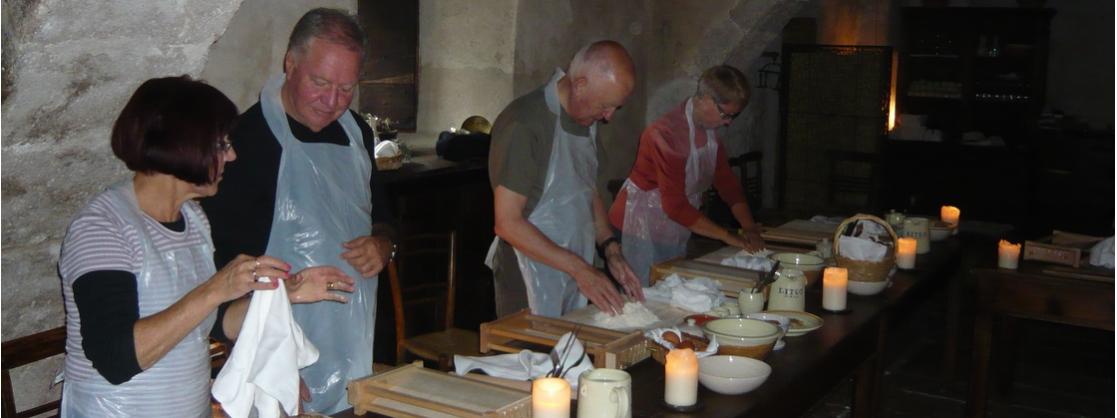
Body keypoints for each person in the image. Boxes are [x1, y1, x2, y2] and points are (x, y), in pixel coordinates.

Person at [57, 76, 353, 417]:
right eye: (222, 144)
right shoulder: (103, 228)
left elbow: (211, 323)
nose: (232, 154)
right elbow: (116, 359)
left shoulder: (194, 220)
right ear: (184, 146)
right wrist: (215, 289)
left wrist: (286, 292)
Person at [200, 8, 395, 414]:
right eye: (320, 83)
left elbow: (384, 211)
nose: (332, 101)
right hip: (278, 349)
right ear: (290, 64)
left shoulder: (357, 133)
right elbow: (220, 273)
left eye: (346, 89)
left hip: (357, 333)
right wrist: (272, 362)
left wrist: (383, 243)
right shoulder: (243, 143)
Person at [487, 40, 644, 319]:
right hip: (527, 275)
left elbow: (586, 189)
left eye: (615, 108)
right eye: (606, 106)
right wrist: (580, 268)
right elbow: (507, 223)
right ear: (580, 84)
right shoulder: (524, 124)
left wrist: (610, 248)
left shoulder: (587, 121)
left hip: (575, 269)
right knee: (533, 360)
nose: (608, 117)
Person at [608, 65, 766, 285]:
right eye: (725, 114)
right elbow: (675, 206)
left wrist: (748, 227)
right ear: (705, 100)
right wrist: (730, 237)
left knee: (668, 290)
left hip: (673, 226)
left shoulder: (710, 135)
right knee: (640, 299)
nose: (728, 122)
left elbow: (726, 182)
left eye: (734, 116)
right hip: (637, 224)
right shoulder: (665, 134)